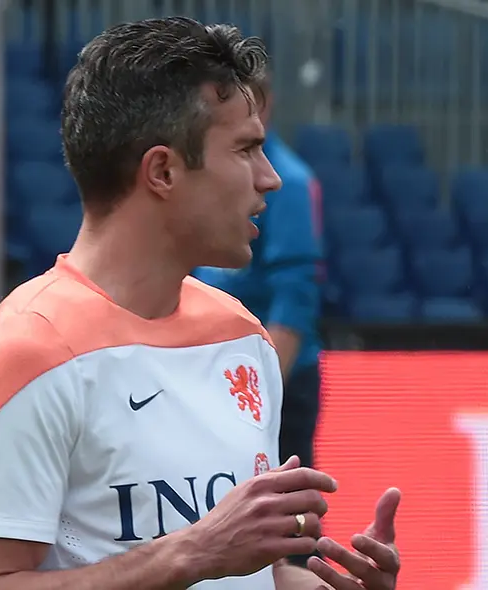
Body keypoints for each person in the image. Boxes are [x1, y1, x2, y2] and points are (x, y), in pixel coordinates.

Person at [0, 17, 400, 590]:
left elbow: (248, 574)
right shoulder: (27, 354)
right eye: (246, 149)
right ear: (162, 171)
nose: (271, 179)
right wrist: (191, 552)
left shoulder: (242, 337)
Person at [194, 68, 325, 571]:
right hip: (220, 377)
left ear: (262, 104)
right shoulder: (206, 176)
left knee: (282, 523)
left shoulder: (288, 183)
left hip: (269, 381)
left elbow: (296, 296)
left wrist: (263, 393)